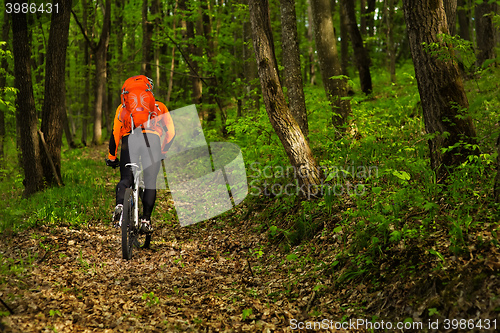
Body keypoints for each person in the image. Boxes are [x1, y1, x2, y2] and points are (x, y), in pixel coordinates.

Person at [106, 76, 175, 233]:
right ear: (149, 91)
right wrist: (163, 151)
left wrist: (112, 157)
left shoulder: (123, 108)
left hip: (129, 141)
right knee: (150, 181)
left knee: (126, 179)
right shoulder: (160, 107)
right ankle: (145, 220)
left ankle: (120, 205)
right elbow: (171, 133)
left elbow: (115, 133)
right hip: (152, 141)